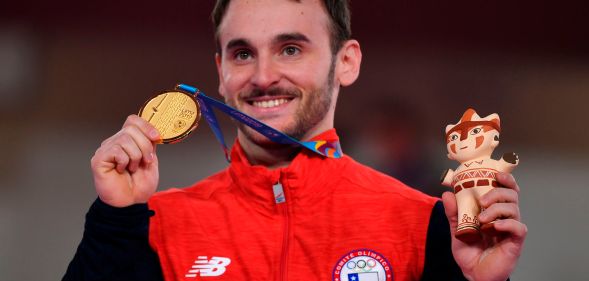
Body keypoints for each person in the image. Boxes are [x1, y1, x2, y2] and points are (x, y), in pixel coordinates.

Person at [63, 0, 527, 280]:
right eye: (242, 53)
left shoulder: (422, 225)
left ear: (346, 62)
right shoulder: (155, 225)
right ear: (221, 72)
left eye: (290, 48)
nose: (263, 76)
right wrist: (115, 222)